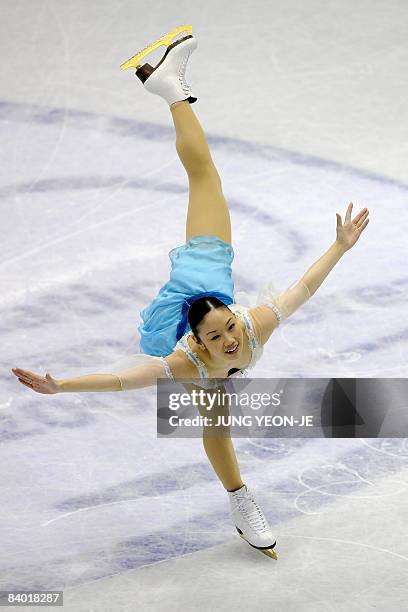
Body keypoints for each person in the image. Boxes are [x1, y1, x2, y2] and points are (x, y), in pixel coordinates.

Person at [11, 25, 370, 560]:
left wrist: (339, 246)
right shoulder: (188, 365)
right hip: (195, 299)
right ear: (197, 344)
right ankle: (240, 500)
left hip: (206, 268)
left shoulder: (250, 324)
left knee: (205, 176)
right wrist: (60, 387)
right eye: (220, 335)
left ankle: (170, 88)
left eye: (229, 326)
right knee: (216, 426)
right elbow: (120, 381)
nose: (230, 338)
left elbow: (304, 287)